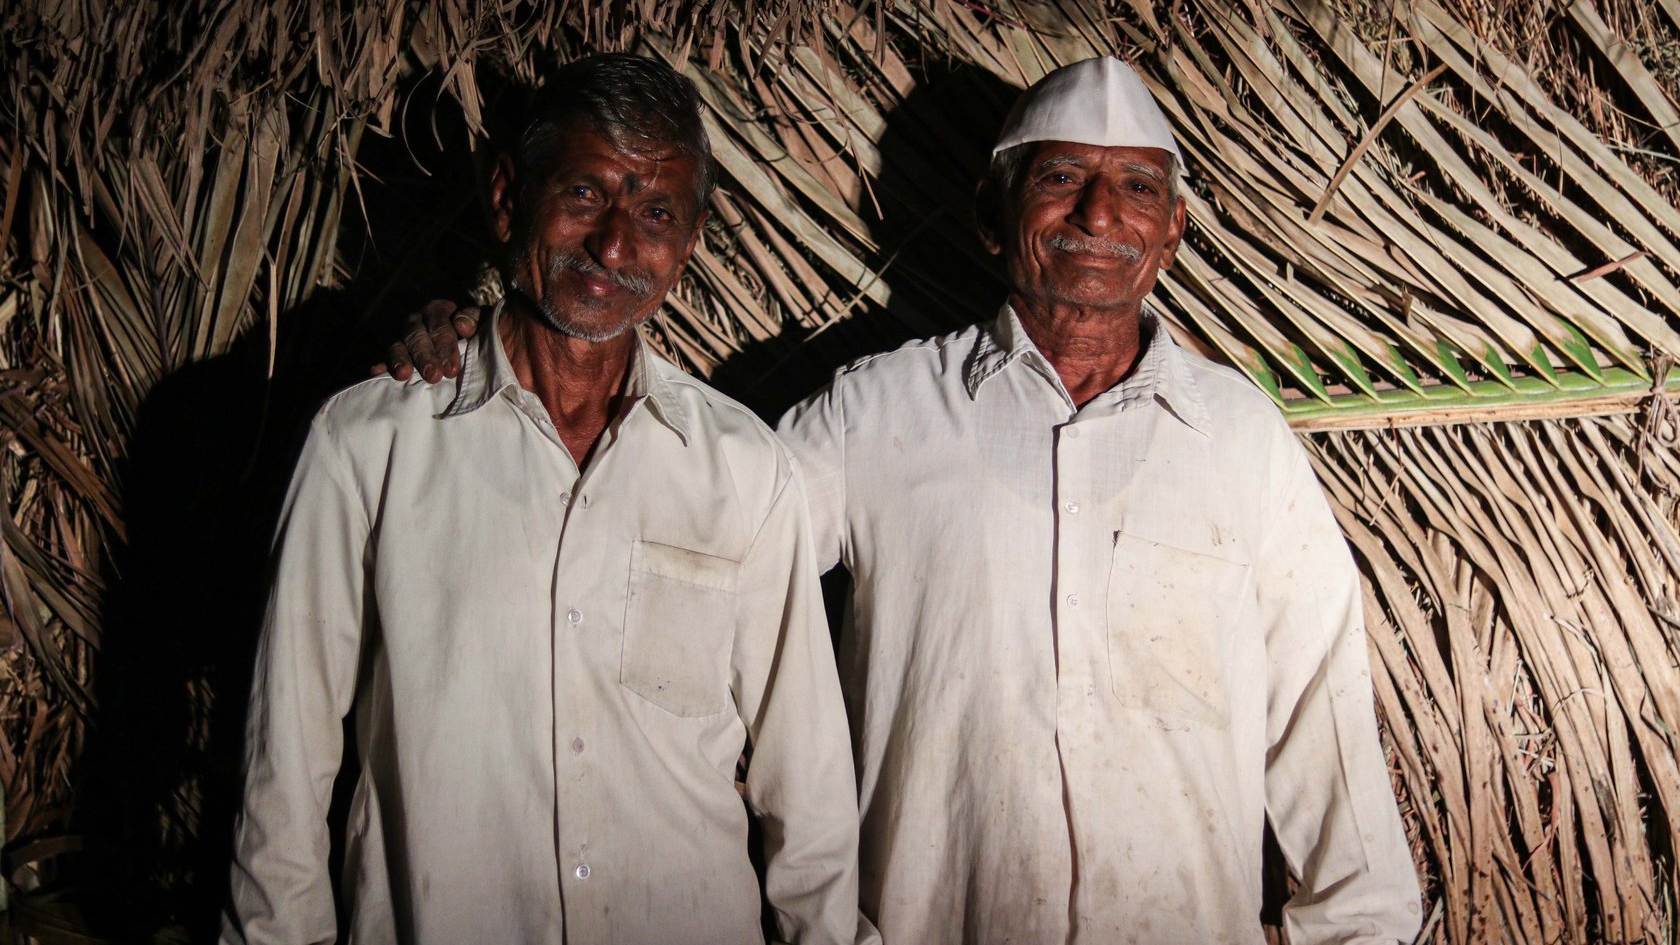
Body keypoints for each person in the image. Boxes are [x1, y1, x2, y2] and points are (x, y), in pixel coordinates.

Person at [389, 56, 1423, 943]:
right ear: (993, 214)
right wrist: (508, 349)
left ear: (1175, 228)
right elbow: (678, 538)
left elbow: (1322, 708)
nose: (1101, 215)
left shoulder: (1242, 442)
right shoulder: (877, 414)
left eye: (1138, 188)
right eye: (1061, 179)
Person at [225, 55, 875, 944]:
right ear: (507, 198)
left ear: (689, 242)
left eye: (654, 214)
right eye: (581, 194)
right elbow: (286, 762)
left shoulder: (743, 467)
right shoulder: (370, 444)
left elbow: (807, 782)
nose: (614, 246)